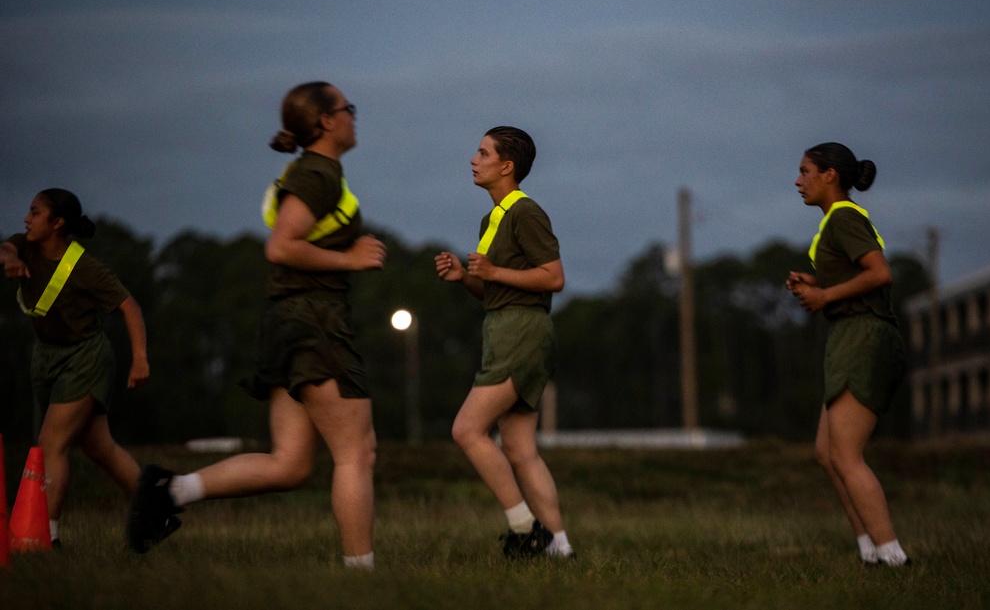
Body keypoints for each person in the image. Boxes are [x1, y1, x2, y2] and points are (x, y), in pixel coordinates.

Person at [127, 81, 384, 569]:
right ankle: (362, 578)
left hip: (288, 324)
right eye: (348, 108)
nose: (355, 115)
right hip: (314, 324)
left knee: (290, 465)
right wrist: (349, 259)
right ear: (327, 121)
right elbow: (281, 246)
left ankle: (170, 491)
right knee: (357, 453)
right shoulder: (317, 174)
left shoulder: (313, 171)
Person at [435, 126, 574, 559]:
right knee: (518, 448)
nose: (473, 160)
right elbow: (496, 289)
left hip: (521, 332)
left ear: (506, 166)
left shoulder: (525, 212)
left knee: (466, 429)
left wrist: (492, 273)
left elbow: (554, 278)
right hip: (504, 328)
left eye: (482, 153)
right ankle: (560, 550)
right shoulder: (492, 218)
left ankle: (526, 529)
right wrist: (465, 279)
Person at [1, 188, 150, 548]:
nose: (26, 218)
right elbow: (6, 247)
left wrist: (140, 358)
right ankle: (154, 506)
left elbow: (129, 306)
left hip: (85, 358)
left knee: (51, 443)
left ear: (58, 223)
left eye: (35, 213)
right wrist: (8, 258)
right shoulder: (25, 245)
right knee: (99, 447)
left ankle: (45, 537)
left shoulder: (84, 268)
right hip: (48, 357)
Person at [785, 142, 910, 567]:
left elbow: (880, 273)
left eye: (805, 172)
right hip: (847, 335)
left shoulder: (844, 218)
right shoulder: (834, 223)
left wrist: (824, 294)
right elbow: (855, 273)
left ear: (829, 176)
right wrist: (815, 280)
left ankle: (893, 557)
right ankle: (869, 550)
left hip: (865, 337)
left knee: (846, 455)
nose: (797, 181)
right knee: (827, 452)